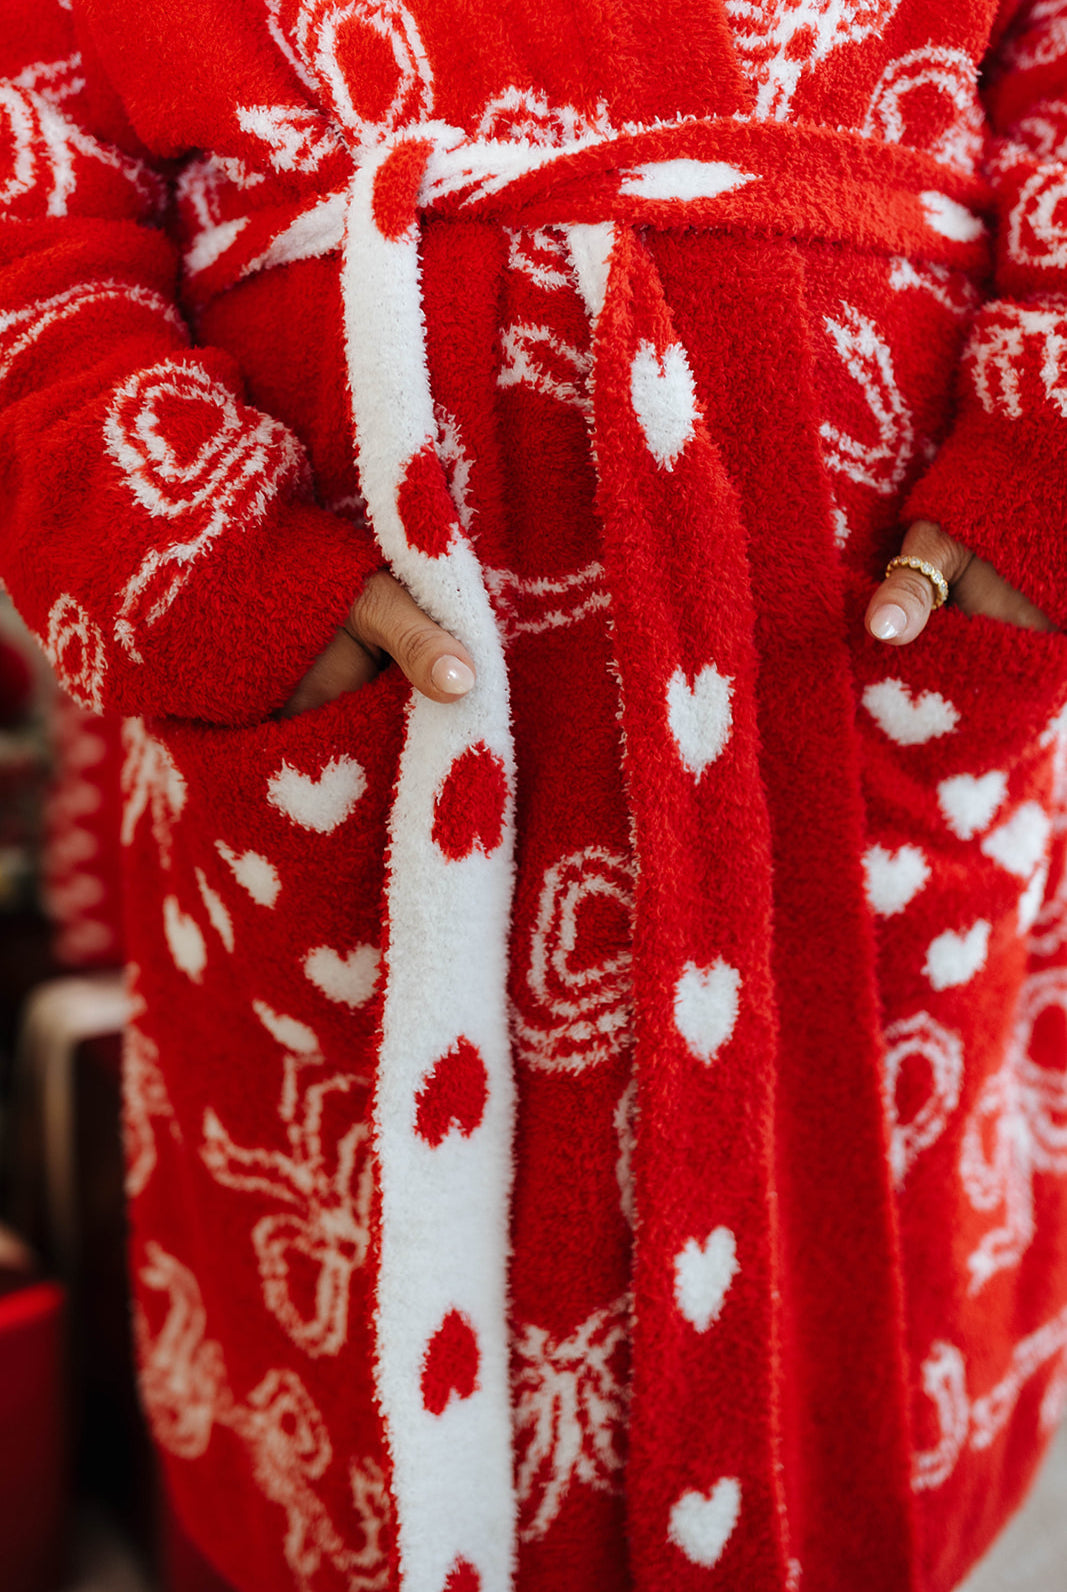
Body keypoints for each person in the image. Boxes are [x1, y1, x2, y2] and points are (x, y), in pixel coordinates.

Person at [2, 2, 1067, 1589]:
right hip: (339, 675)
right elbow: (29, 192)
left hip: (872, 650)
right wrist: (209, 568)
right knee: (365, 1409)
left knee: (847, 1371)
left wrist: (1045, 486)